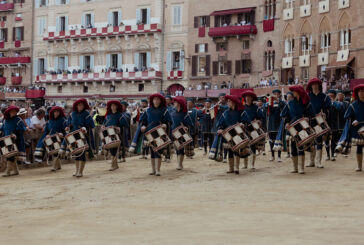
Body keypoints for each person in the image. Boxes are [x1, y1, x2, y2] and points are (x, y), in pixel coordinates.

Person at [279, 85, 314, 174]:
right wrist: (287, 122)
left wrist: (307, 118)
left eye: (294, 91)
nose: (293, 93)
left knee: (301, 147)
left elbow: (311, 114)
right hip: (293, 128)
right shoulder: (290, 103)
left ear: (298, 92)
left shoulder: (306, 103)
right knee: (293, 147)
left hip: (303, 127)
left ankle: (301, 168)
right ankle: (295, 168)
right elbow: (285, 115)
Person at [138, 93, 172, 176]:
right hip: (150, 134)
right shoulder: (148, 110)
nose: (156, 101)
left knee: (158, 151)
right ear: (152, 101)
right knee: (152, 152)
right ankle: (153, 170)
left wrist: (165, 125)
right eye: (154, 99)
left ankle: (158, 170)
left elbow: (169, 121)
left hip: (160, 133)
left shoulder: (164, 110)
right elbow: (143, 121)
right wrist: (143, 126)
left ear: (160, 101)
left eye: (157, 99)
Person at [60, 99, 95, 177]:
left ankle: (80, 171)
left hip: (83, 136)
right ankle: (76, 171)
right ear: (76, 106)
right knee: (76, 153)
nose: (80, 106)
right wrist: (68, 128)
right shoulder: (72, 114)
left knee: (82, 153)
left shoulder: (87, 114)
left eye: (82, 105)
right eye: (79, 105)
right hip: (74, 136)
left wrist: (85, 129)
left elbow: (92, 125)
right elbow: (69, 124)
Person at [306, 78, 331, 168]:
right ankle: (311, 161)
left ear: (319, 85)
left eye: (316, 84)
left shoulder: (324, 97)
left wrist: (324, 113)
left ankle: (318, 162)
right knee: (311, 141)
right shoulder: (307, 96)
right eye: (313, 84)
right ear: (310, 86)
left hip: (320, 121)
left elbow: (328, 109)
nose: (315, 86)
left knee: (319, 140)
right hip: (310, 121)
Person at [216, 95, 243, 174]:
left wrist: (242, 124)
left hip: (237, 133)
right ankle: (231, 168)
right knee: (230, 151)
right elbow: (220, 123)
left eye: (229, 101)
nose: (227, 102)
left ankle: (236, 168)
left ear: (233, 102)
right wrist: (220, 129)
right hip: (228, 134)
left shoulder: (240, 112)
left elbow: (246, 121)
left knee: (236, 150)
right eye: (227, 101)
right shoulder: (225, 112)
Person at [34, 106, 67, 171]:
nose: (56, 113)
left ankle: (54, 166)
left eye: (58, 111)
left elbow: (66, 130)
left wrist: (61, 134)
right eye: (55, 111)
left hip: (59, 138)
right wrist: (47, 135)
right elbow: (46, 131)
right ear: (52, 112)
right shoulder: (49, 121)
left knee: (56, 151)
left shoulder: (63, 120)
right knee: (54, 152)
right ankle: (58, 166)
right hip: (50, 138)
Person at [340, 85, 364, 171]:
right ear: (357, 93)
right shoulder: (353, 105)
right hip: (358, 130)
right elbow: (347, 115)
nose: (361, 93)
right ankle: (359, 166)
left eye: (363, 91)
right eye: (360, 91)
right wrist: (353, 120)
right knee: (359, 147)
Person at [240, 91, 265, 169]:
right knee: (244, 146)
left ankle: (252, 164)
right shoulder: (242, 107)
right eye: (246, 97)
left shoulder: (256, 107)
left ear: (252, 98)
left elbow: (261, 117)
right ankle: (245, 164)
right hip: (244, 128)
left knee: (252, 145)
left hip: (253, 128)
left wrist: (258, 121)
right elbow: (239, 117)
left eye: (249, 97)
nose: (247, 98)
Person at [102, 100, 129, 171]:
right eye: (111, 106)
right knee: (111, 149)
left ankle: (113, 165)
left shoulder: (120, 115)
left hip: (116, 134)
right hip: (108, 134)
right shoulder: (108, 116)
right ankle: (115, 165)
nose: (113, 107)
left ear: (117, 107)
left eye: (114, 106)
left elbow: (126, 125)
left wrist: (118, 127)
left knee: (114, 149)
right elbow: (104, 124)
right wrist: (103, 127)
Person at [0, 106, 26, 177]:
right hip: (6, 141)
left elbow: (20, 132)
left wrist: (15, 136)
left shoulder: (18, 120)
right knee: (10, 155)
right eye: (12, 111)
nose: (14, 112)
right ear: (9, 112)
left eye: (15, 111)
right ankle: (16, 171)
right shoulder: (5, 120)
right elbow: (2, 129)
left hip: (15, 140)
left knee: (10, 156)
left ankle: (7, 172)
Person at [171, 97, 194, 170]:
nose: (173, 103)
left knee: (180, 148)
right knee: (177, 148)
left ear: (179, 104)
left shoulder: (185, 114)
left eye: (175, 102)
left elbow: (190, 124)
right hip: (174, 133)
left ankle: (179, 164)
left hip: (182, 133)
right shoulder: (172, 113)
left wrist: (186, 127)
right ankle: (179, 164)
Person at [266, 89, 286, 162]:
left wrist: (277, 100)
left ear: (279, 95)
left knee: (279, 141)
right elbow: (266, 109)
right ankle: (272, 155)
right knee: (271, 141)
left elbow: (284, 106)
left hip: (278, 124)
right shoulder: (270, 103)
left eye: (277, 94)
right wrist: (269, 101)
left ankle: (279, 156)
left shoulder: (282, 102)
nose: (276, 95)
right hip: (271, 124)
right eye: (275, 94)